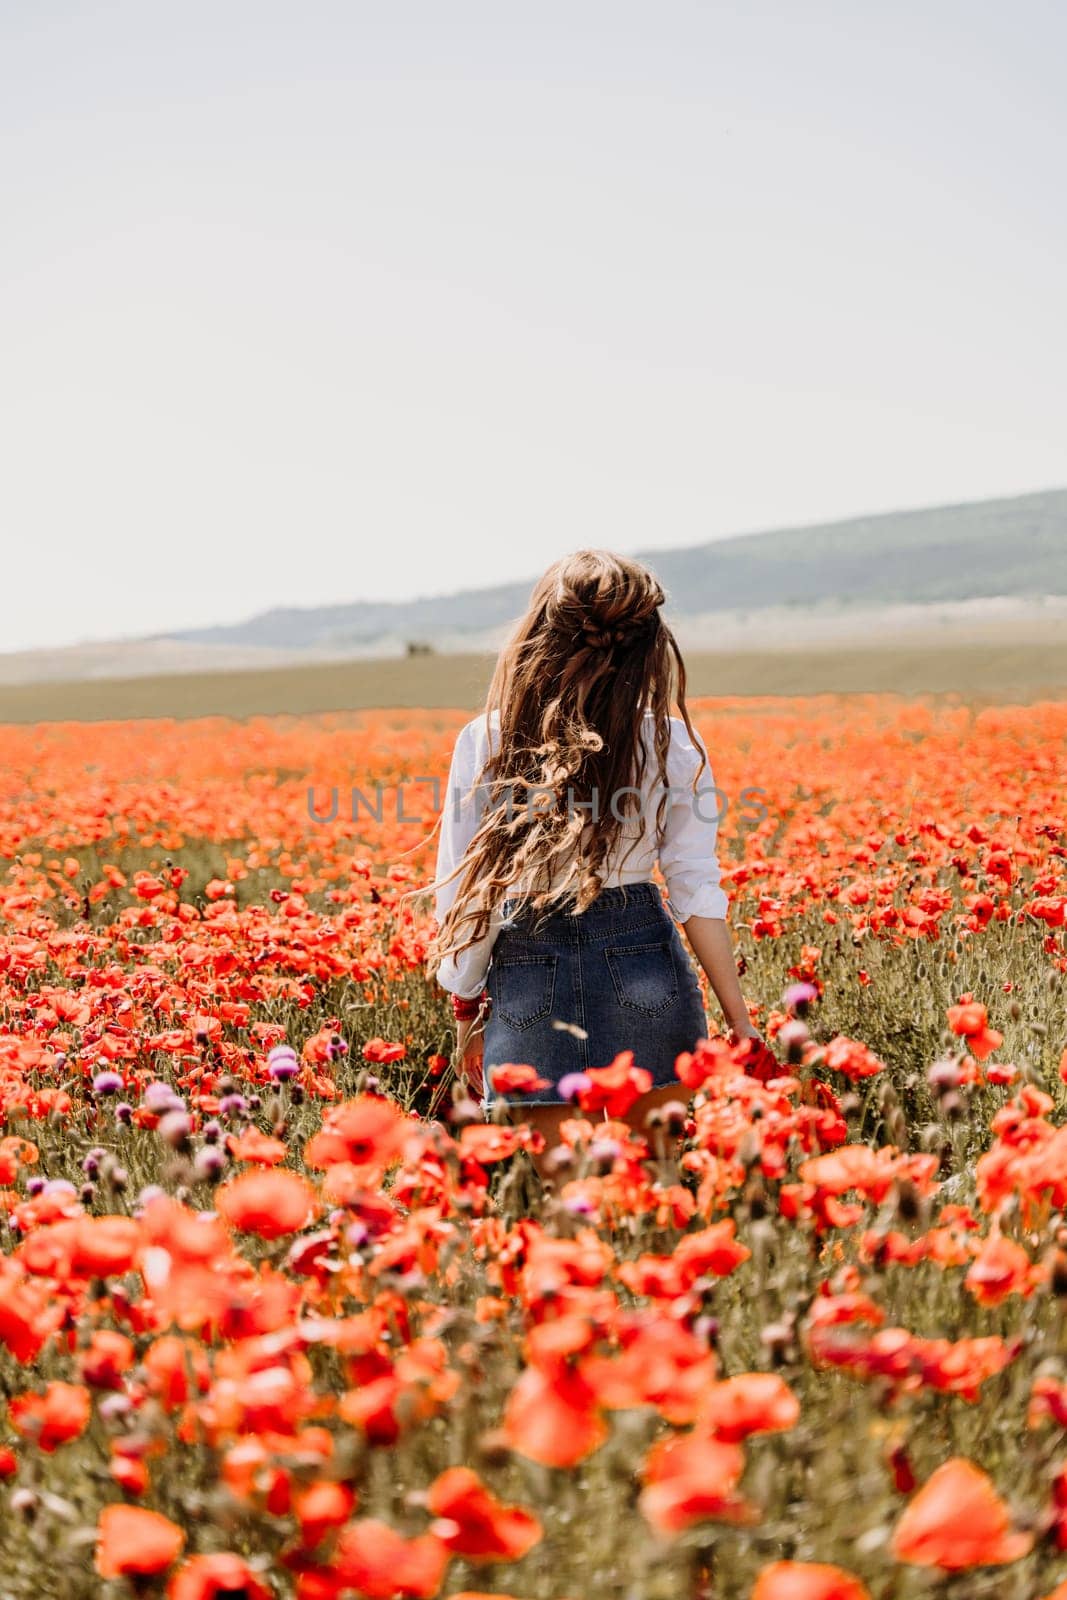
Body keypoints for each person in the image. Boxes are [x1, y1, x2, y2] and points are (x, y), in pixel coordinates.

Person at [428, 549, 761, 1147]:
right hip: (646, 965)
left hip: (529, 967)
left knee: (567, 1198)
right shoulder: (672, 741)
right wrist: (738, 1019)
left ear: (539, 637)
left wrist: (467, 1013)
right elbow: (693, 886)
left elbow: (467, 893)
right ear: (646, 647)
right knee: (654, 1185)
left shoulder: (487, 741)